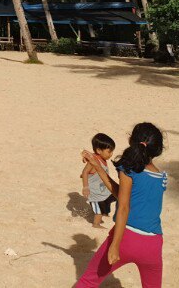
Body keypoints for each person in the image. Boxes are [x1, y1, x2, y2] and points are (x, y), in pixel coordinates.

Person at [75, 122, 168, 288]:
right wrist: (97, 165)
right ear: (157, 148)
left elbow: (124, 207)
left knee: (87, 282)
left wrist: (115, 245)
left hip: (126, 238)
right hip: (153, 245)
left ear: (132, 141)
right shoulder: (161, 177)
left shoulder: (129, 168)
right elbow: (123, 195)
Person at [81, 132, 117, 229]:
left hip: (102, 189)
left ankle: (104, 213)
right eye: (109, 152)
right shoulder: (94, 161)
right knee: (99, 209)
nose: (111, 154)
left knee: (110, 198)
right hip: (95, 192)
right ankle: (96, 224)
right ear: (99, 150)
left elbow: (89, 154)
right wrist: (85, 187)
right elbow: (84, 172)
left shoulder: (100, 158)